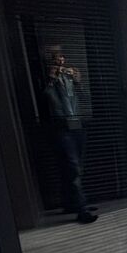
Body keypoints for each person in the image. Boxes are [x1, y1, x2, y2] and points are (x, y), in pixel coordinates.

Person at [42, 45, 97, 224]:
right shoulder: (47, 79)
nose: (60, 61)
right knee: (73, 168)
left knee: (76, 167)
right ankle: (82, 209)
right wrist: (51, 80)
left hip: (77, 124)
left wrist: (78, 81)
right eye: (56, 58)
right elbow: (46, 99)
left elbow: (85, 97)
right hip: (61, 127)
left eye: (61, 57)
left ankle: (71, 204)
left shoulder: (69, 77)